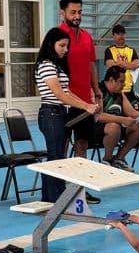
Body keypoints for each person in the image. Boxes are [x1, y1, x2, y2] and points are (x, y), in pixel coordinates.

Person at [35, 27, 100, 203]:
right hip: (50, 113)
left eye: (67, 46)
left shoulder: (57, 65)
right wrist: (86, 106)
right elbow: (59, 94)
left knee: (60, 157)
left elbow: (67, 92)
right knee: (55, 157)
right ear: (51, 44)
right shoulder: (46, 65)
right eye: (62, 45)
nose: (65, 50)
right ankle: (51, 198)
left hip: (60, 113)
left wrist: (87, 104)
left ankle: (58, 196)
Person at [58, 0, 103, 203]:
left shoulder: (86, 36)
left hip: (85, 102)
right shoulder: (57, 36)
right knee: (62, 146)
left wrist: (97, 92)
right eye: (73, 12)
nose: (77, 16)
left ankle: (79, 190)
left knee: (82, 145)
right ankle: (59, 190)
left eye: (79, 12)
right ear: (62, 13)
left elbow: (91, 65)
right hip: (66, 100)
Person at [95, 66, 139, 171]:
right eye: (121, 81)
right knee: (114, 127)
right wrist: (122, 120)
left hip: (116, 127)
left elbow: (130, 112)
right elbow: (99, 116)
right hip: (96, 128)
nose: (124, 84)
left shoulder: (119, 93)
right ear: (112, 80)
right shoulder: (99, 91)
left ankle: (118, 158)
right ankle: (107, 160)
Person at [104, 24, 139, 105]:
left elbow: (135, 65)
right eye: (118, 34)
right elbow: (110, 64)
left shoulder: (131, 50)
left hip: (128, 89)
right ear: (113, 36)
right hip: (115, 90)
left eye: (122, 34)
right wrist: (128, 65)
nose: (121, 36)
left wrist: (118, 63)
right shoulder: (109, 50)